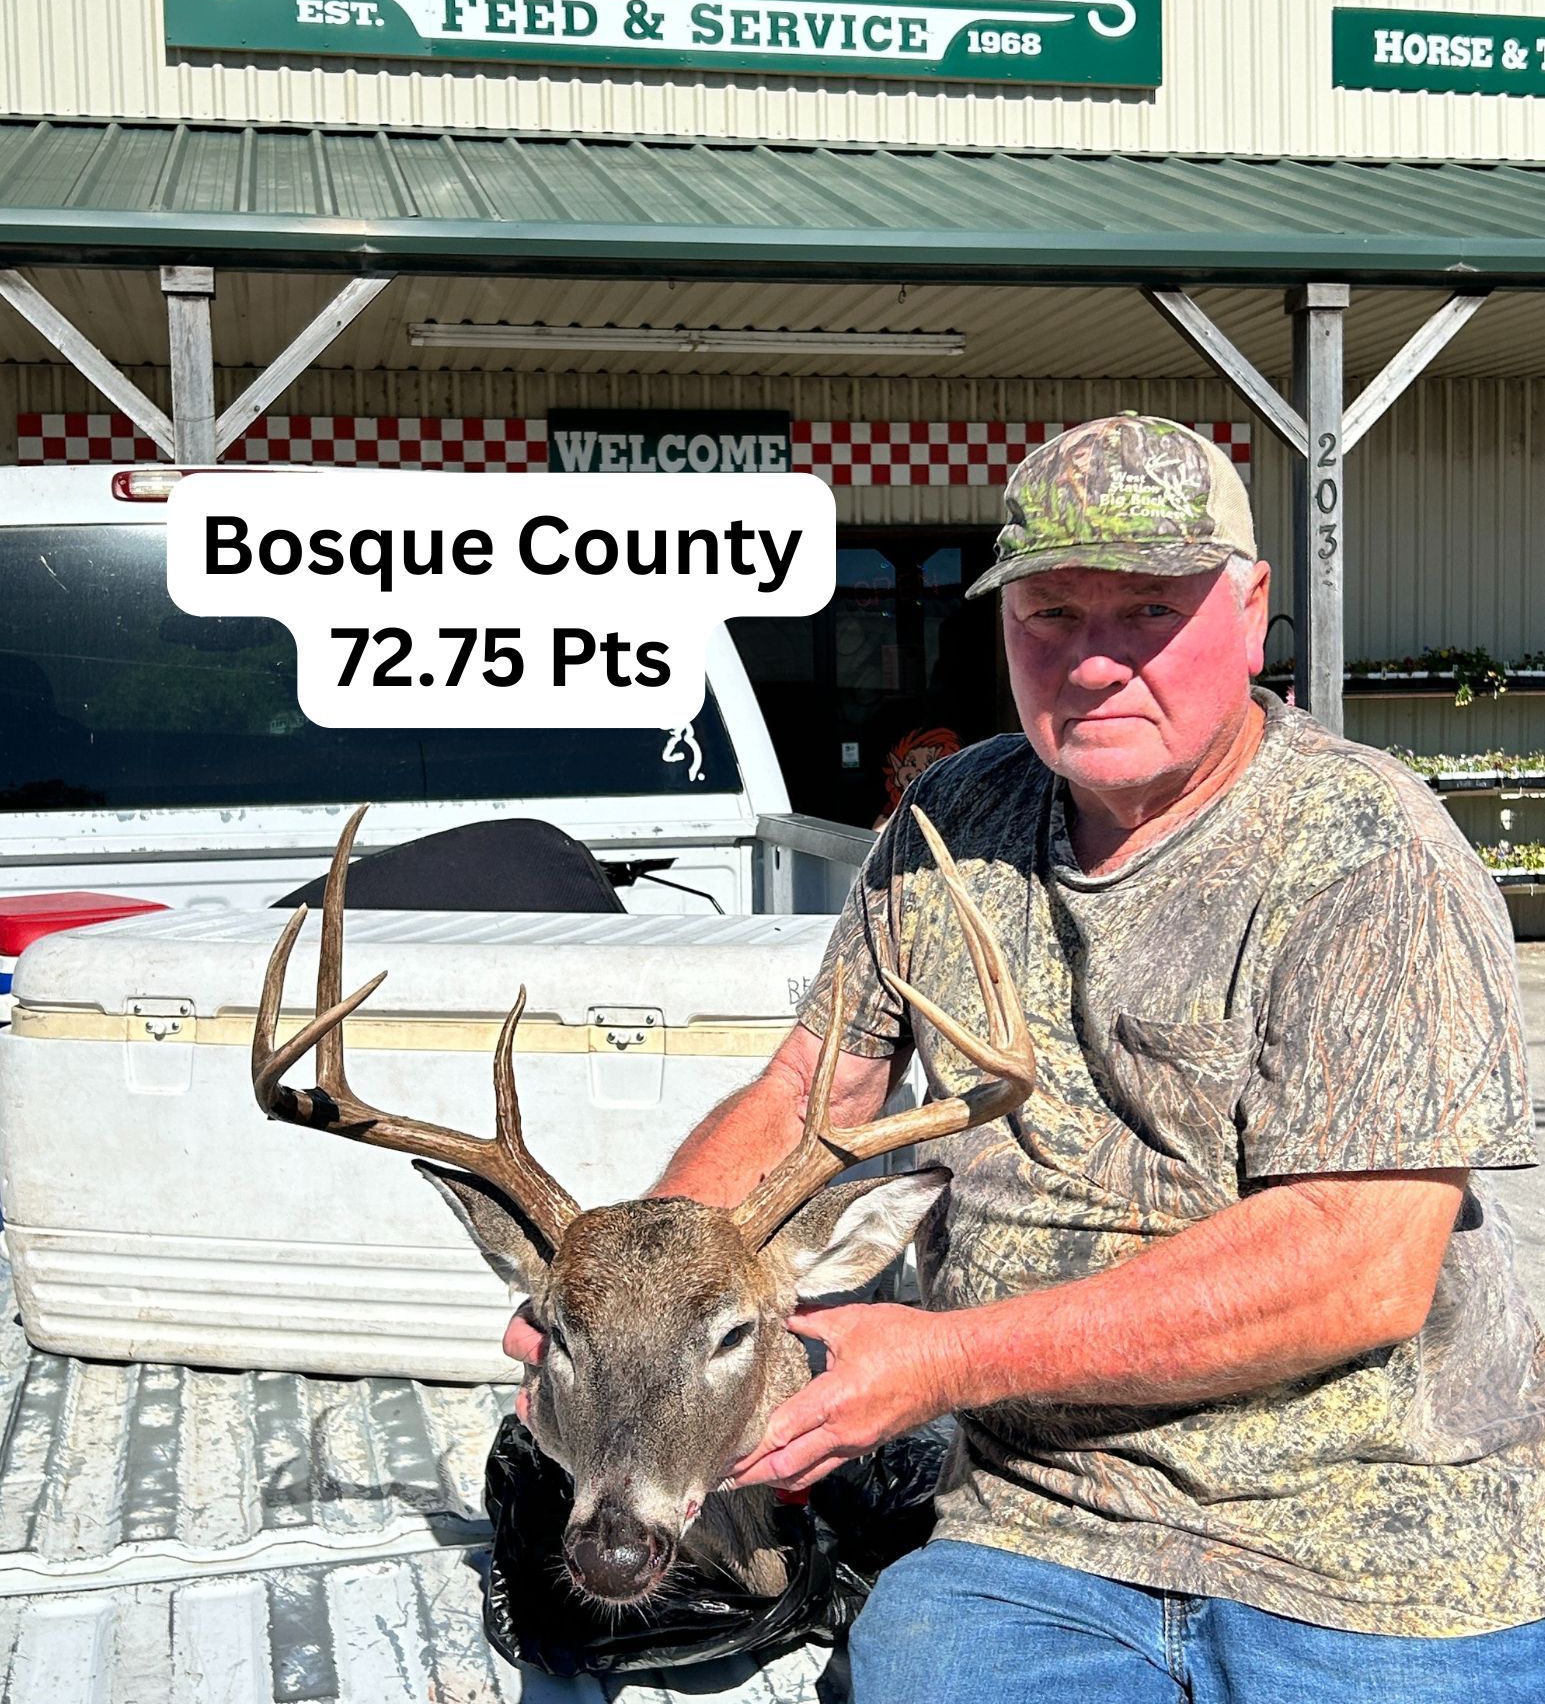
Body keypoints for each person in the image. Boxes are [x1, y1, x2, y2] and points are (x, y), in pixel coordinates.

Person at [508, 415, 1545, 1699]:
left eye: (1150, 609)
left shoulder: (1369, 849)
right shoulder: (956, 817)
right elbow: (808, 1089)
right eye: (1052, 611)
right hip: (1037, 1525)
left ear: (1253, 606)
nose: (1097, 661)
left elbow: (1361, 1262)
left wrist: (943, 1361)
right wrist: (629, 1298)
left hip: (1365, 1542)